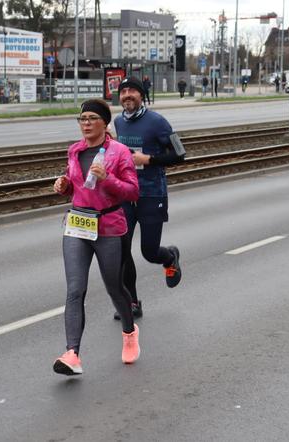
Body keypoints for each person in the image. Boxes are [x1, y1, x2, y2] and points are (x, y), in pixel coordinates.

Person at [52, 98, 141, 376]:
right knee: (75, 289)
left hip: (108, 227)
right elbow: (77, 185)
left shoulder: (119, 152)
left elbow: (132, 192)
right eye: (82, 119)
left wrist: (107, 180)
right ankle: (72, 354)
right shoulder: (74, 150)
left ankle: (129, 331)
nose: (86, 123)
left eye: (92, 118)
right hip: (78, 225)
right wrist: (64, 186)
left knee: (114, 287)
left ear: (105, 122)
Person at [112, 77, 184, 320]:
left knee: (149, 251)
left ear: (141, 95)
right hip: (125, 194)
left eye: (132, 91)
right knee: (121, 251)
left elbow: (179, 154)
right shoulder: (118, 122)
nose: (127, 95)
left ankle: (169, 257)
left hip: (152, 193)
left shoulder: (157, 122)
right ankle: (131, 303)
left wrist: (148, 160)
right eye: (123, 92)